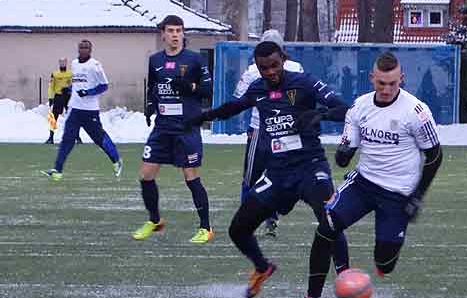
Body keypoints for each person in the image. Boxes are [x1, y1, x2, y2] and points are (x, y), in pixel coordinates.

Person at [186, 40, 350, 298]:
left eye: (274, 65)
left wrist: (319, 115)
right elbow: (233, 107)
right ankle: (262, 268)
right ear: (258, 67)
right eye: (264, 68)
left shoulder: (303, 82)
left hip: (309, 167)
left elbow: (344, 109)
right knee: (238, 229)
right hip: (277, 173)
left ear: (283, 59)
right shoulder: (257, 88)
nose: (270, 72)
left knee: (330, 220)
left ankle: (346, 278)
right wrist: (203, 116)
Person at [288, 51, 443, 298]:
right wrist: (342, 150)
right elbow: (345, 155)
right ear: (372, 78)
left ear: (401, 79)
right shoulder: (359, 107)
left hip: (398, 192)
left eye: (392, 83)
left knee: (385, 263)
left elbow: (434, 156)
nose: (386, 89)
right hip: (363, 184)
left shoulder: (416, 111)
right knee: (326, 228)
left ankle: (382, 262)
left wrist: (417, 196)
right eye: (381, 83)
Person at [131, 14, 214, 244]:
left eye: (179, 31)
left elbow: (208, 91)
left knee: (191, 176)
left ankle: (206, 227)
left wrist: (190, 86)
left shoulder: (195, 60)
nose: (175, 35)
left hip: (186, 128)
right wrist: (149, 106)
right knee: (145, 175)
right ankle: (155, 220)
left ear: (183, 33)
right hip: (162, 129)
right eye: (171, 31)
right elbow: (153, 86)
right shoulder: (155, 60)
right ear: (163, 34)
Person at [233, 29, 304, 238]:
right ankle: (270, 218)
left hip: (260, 130)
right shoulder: (295, 68)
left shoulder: (253, 70)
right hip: (284, 130)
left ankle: (245, 220)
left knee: (250, 179)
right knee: (279, 177)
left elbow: (239, 97)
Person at [41, 40, 123, 181]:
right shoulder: (74, 64)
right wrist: (70, 89)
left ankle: (116, 160)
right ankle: (57, 170)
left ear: (90, 50)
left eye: (86, 47)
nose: (84, 49)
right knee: (67, 139)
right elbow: (77, 83)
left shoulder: (95, 66)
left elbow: (104, 86)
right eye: (81, 47)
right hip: (75, 109)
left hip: (90, 110)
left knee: (99, 139)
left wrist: (88, 92)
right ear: (78, 49)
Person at [44, 58, 73, 144]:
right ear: (59, 63)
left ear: (66, 63)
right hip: (58, 97)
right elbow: (51, 86)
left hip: (68, 97)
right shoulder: (55, 74)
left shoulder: (70, 74)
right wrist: (50, 97)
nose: (63, 64)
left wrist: (69, 89)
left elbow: (74, 84)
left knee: (72, 117)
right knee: (53, 117)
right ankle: (51, 137)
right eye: (61, 62)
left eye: (64, 62)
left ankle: (76, 137)